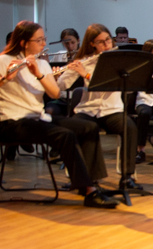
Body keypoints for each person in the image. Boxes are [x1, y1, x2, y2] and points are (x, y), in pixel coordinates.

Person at [0, 21, 117, 208]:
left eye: (44, 39)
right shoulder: (3, 61)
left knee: (88, 127)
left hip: (36, 118)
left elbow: (55, 94)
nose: (43, 44)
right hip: (10, 123)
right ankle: (90, 192)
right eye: (39, 40)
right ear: (24, 42)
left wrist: (38, 73)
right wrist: (4, 78)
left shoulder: (41, 63)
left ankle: (90, 182)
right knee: (64, 135)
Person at [56, 24, 142, 189]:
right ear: (92, 44)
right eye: (101, 42)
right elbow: (61, 86)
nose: (106, 45)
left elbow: (114, 85)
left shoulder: (119, 60)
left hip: (112, 110)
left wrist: (85, 74)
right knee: (79, 127)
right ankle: (82, 177)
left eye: (108, 40)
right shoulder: (84, 61)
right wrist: (62, 74)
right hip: (88, 109)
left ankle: (127, 176)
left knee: (130, 127)